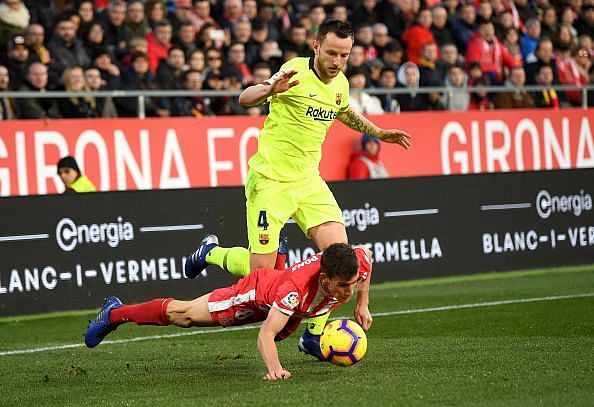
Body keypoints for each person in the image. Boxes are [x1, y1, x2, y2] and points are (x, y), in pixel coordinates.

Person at [183, 19, 410, 360]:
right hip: (271, 181)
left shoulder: (341, 84)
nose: (337, 61)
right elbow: (246, 97)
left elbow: (344, 112)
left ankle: (313, 336)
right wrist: (272, 89)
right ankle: (210, 253)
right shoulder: (294, 72)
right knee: (262, 279)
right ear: (316, 46)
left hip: (308, 181)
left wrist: (380, 133)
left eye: (344, 55)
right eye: (331, 52)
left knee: (340, 255)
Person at [86, 242, 372, 381]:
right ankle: (114, 312)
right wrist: (276, 371)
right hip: (254, 296)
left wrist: (362, 303)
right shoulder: (295, 291)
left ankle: (279, 258)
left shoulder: (355, 266)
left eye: (353, 284)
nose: (349, 290)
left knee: (286, 326)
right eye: (344, 287)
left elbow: (366, 257)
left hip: (289, 304)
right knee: (182, 316)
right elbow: (265, 335)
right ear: (325, 280)